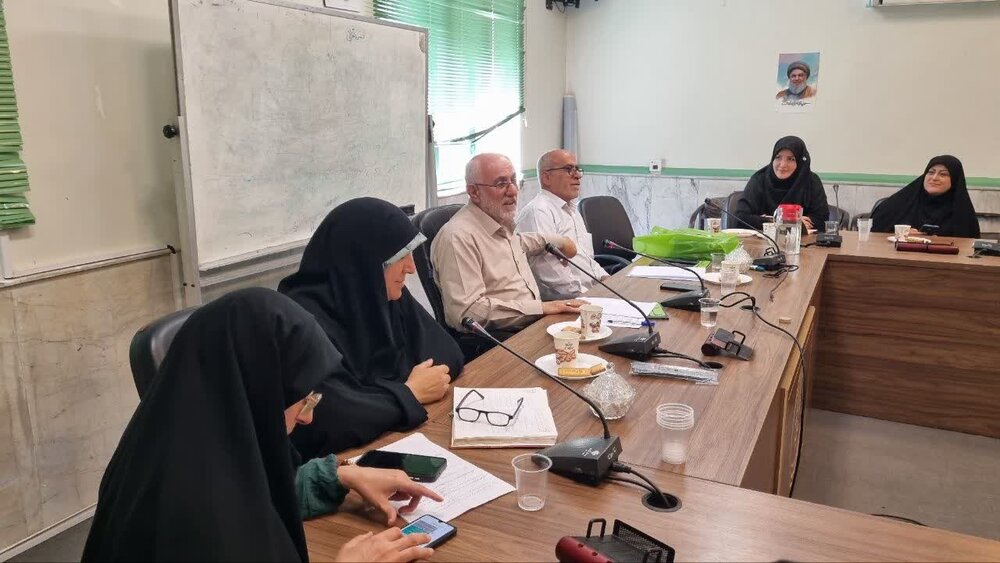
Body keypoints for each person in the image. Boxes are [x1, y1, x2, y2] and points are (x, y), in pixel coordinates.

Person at [82, 288, 442, 562]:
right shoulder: (202, 520)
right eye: (302, 399)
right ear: (254, 389)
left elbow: (256, 486)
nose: (307, 417)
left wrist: (339, 476)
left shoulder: (179, 440)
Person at [279, 198, 464, 458]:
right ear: (364, 261)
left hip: (398, 435)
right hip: (343, 460)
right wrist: (409, 392)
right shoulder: (301, 318)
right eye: (401, 256)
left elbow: (449, 354)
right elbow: (329, 417)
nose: (411, 268)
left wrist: (378, 400)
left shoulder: (381, 292)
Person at [431, 153, 586, 336]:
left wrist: (560, 241)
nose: (513, 191)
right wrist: (541, 308)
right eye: (501, 184)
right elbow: (467, 312)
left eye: (513, 180)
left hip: (534, 323)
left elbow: (521, 243)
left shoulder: (496, 220)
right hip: (504, 339)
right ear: (474, 192)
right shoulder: (457, 237)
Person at [516, 149, 609, 300]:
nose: (577, 175)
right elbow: (548, 272)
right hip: (568, 301)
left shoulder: (572, 210)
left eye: (577, 169)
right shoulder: (538, 211)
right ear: (546, 177)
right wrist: (589, 296)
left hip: (592, 293)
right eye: (568, 169)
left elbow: (586, 258)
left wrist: (606, 279)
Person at [871, 155, 980, 238]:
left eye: (943, 174)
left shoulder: (962, 212)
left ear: (955, 180)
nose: (934, 178)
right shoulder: (902, 202)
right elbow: (875, 231)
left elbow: (969, 246)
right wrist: (901, 233)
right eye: (931, 172)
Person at [735, 136, 829, 231]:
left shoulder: (811, 181)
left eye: (791, 159)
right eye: (778, 157)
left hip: (802, 240)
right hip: (760, 239)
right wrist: (786, 221)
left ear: (800, 162)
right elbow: (740, 218)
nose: (783, 164)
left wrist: (764, 220)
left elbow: (821, 220)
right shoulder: (759, 179)